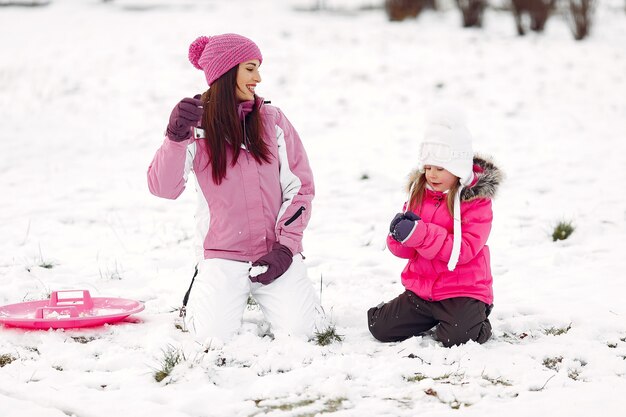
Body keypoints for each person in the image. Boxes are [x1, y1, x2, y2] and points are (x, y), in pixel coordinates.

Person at [147, 34, 319, 343]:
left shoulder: (272, 120)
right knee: (210, 337)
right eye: (250, 68)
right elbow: (163, 188)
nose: (259, 77)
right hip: (223, 255)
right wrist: (175, 138)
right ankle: (202, 293)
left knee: (303, 331)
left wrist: (285, 248)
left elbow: (301, 189)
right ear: (227, 72)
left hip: (275, 252)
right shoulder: (195, 127)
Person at [367, 107, 503, 347]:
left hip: (462, 291)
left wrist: (421, 235)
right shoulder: (419, 193)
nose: (432, 175)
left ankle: (478, 320)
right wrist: (398, 236)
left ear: (459, 167)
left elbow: (464, 250)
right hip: (422, 291)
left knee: (457, 338)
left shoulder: (476, 201)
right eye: (428, 167)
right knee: (380, 328)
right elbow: (406, 251)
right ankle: (426, 317)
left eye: (440, 168)